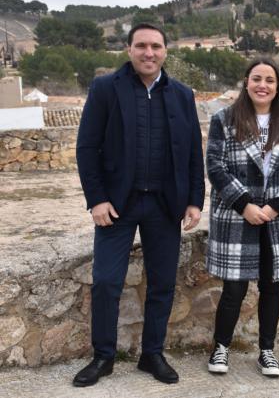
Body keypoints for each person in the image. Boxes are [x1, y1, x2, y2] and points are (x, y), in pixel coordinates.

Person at [73, 23, 205, 387]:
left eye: (156, 46)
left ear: (166, 51)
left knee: (162, 283)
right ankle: (103, 356)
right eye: (142, 46)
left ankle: (152, 354)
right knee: (105, 282)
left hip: (165, 206)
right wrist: (96, 199)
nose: (149, 53)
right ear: (129, 49)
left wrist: (195, 200)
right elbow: (87, 148)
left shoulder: (181, 93)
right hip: (117, 205)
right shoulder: (105, 89)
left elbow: (194, 151)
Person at [205, 58, 279, 378]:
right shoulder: (224, 119)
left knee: (271, 287)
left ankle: (267, 351)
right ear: (246, 82)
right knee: (233, 289)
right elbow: (215, 166)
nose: (262, 85)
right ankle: (220, 347)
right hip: (238, 216)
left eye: (269, 80)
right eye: (256, 78)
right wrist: (245, 204)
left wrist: (277, 205)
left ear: (278, 87)